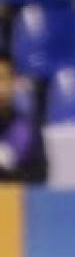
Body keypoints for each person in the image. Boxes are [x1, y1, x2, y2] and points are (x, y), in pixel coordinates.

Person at [0, 52, 48, 184]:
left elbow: (41, 175)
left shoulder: (29, 127)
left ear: (14, 82)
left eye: (3, 78)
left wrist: (8, 172)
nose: (0, 88)